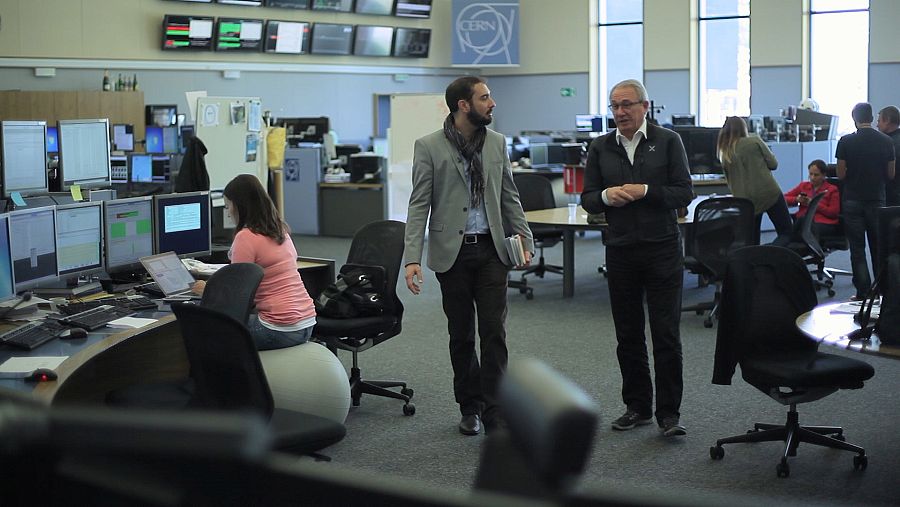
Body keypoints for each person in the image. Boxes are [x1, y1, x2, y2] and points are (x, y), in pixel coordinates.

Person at [404, 76, 534, 436]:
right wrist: (412, 257)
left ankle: (495, 409)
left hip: (492, 250)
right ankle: (469, 406)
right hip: (453, 253)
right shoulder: (429, 146)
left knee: (495, 332)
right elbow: (419, 205)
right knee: (461, 334)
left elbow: (509, 195)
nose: (492, 103)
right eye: (485, 97)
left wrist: (524, 236)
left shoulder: (497, 143)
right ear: (463, 105)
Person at [581, 79, 693, 437]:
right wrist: (606, 197)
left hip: (662, 249)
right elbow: (587, 198)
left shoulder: (668, 141)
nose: (620, 112)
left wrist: (645, 190)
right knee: (627, 334)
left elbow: (683, 192)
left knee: (665, 334)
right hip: (621, 250)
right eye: (614, 106)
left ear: (646, 106)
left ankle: (669, 414)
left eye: (627, 104)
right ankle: (637, 406)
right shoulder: (600, 147)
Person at [191, 174, 317, 350]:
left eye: (229, 206)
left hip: (278, 328)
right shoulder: (279, 229)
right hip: (306, 322)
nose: (228, 212)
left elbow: (235, 296)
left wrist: (207, 290)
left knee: (205, 329)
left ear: (240, 206)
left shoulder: (246, 237)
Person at [836, 102, 896, 300]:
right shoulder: (887, 142)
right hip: (877, 199)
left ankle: (863, 292)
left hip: (852, 199)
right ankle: (882, 291)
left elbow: (841, 174)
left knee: (857, 248)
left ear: (855, 118)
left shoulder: (845, 141)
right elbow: (890, 174)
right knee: (878, 247)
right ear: (871, 118)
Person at [716, 116, 793, 246]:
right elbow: (774, 164)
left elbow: (728, 179)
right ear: (744, 128)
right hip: (768, 192)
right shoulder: (754, 141)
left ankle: (755, 261)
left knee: (751, 240)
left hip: (745, 200)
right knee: (786, 232)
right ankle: (771, 251)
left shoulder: (724, 151)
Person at [783, 159, 841, 240]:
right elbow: (783, 198)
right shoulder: (803, 186)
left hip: (822, 223)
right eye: (811, 174)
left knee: (802, 225)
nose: (812, 178)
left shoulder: (832, 189)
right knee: (799, 224)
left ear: (823, 175)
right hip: (804, 222)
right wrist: (796, 199)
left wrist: (814, 204)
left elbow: (833, 213)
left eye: (816, 175)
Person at [877, 105, 900, 206]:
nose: (877, 125)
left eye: (879, 121)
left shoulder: (886, 143)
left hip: (890, 196)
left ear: (887, 121)